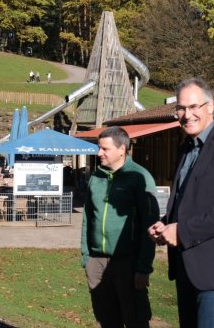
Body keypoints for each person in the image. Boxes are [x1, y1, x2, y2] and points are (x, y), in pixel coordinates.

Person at [148, 78, 214, 328]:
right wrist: (166, 225)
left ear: (211, 106)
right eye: (181, 108)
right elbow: (191, 201)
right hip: (186, 269)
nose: (187, 114)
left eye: (194, 106)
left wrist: (182, 231)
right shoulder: (186, 147)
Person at [81, 127, 159, 327]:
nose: (99, 153)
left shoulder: (140, 178)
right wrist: (86, 256)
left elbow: (149, 226)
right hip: (97, 262)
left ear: (122, 149)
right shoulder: (96, 178)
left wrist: (143, 267)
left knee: (135, 320)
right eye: (99, 148)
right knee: (106, 320)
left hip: (128, 262)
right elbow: (88, 217)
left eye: (104, 149)